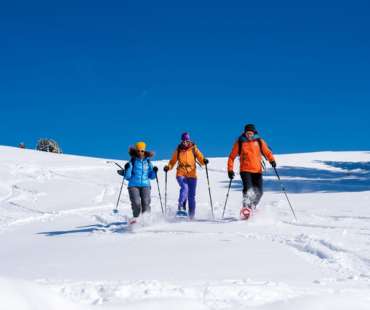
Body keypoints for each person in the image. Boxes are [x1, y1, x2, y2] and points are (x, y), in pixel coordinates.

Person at [227, 124, 276, 218]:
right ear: (245, 133)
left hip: (257, 171)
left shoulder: (259, 141)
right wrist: (230, 170)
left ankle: (252, 207)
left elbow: (267, 152)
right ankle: (246, 207)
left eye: (251, 133)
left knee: (260, 192)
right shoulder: (240, 142)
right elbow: (232, 157)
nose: (249, 135)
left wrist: (272, 160)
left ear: (254, 133)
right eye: (247, 133)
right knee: (248, 189)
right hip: (245, 170)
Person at [164, 132, 208, 219]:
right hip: (181, 172)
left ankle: (191, 215)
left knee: (191, 196)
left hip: (192, 174)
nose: (185, 142)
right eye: (183, 140)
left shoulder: (193, 148)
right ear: (181, 141)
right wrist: (168, 167)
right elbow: (172, 161)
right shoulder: (178, 149)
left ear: (189, 140)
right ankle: (181, 207)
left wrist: (204, 161)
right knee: (185, 188)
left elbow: (201, 158)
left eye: (187, 140)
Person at [122, 141, 158, 222]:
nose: (140, 152)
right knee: (136, 203)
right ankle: (136, 219)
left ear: (144, 151)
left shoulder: (148, 162)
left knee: (146, 203)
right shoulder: (132, 161)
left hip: (146, 185)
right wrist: (127, 169)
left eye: (142, 150)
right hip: (133, 185)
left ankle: (146, 220)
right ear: (136, 151)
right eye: (138, 150)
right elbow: (127, 177)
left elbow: (152, 177)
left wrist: (155, 171)